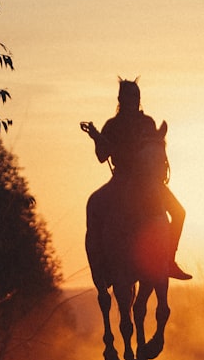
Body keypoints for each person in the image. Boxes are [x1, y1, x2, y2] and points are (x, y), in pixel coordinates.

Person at [81, 77, 192, 280]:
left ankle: (169, 260)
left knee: (179, 212)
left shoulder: (147, 123)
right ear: (121, 99)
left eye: (134, 97)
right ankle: (101, 262)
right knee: (95, 206)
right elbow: (101, 157)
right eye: (128, 97)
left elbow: (156, 148)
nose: (131, 101)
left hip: (149, 180)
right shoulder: (112, 125)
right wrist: (98, 140)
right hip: (121, 178)